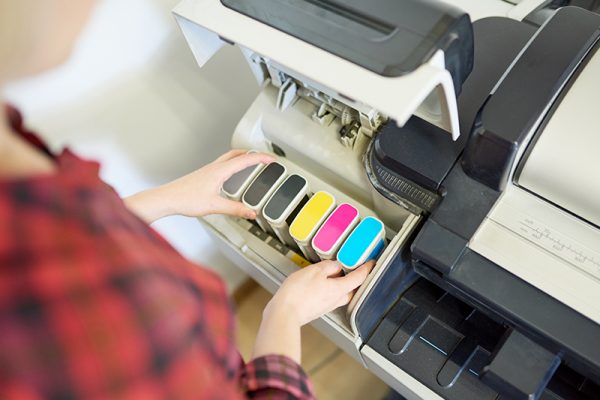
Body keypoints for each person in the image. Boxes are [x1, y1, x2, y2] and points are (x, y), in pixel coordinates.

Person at [0, 1, 374, 399]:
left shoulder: (18, 161)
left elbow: (65, 231)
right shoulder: (93, 317)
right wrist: (285, 313)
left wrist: (167, 198)